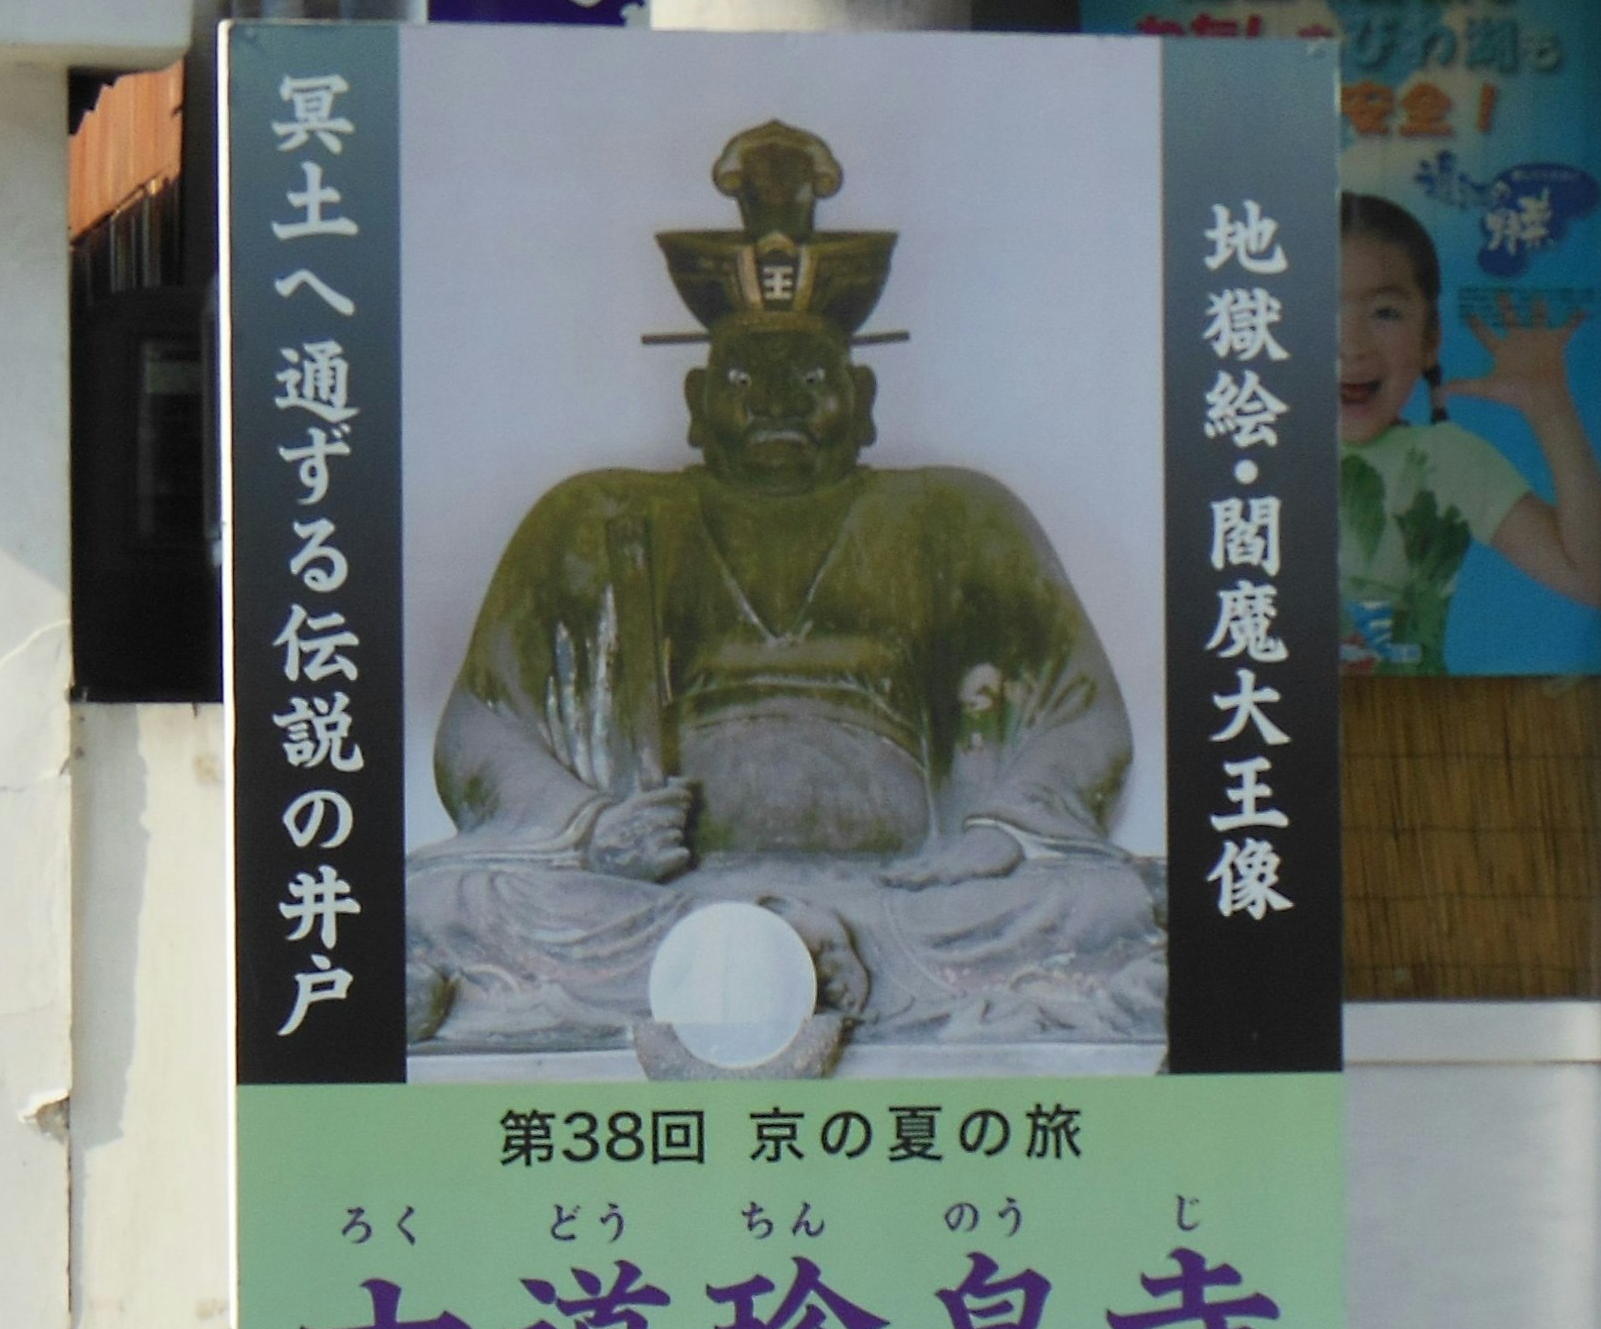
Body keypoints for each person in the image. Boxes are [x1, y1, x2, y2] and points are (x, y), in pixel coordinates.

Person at [403, 120, 1164, 1061]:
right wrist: (591, 828)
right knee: (443, 900)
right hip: (650, 899)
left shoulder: (958, 516)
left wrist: (1003, 835)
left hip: (915, 895)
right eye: (744, 378)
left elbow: (1080, 717)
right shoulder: (595, 519)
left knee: (1090, 903)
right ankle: (796, 966)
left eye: (809, 376)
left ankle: (811, 960)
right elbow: (483, 725)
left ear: (865, 398)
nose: (775, 403)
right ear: (694, 400)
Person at [1336, 191, 1601, 674]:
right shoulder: (1242, 457)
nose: (1351, 345)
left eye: (1384, 312)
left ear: (1430, 339)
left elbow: (1597, 578)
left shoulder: (1446, 462)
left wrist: (1550, 408)